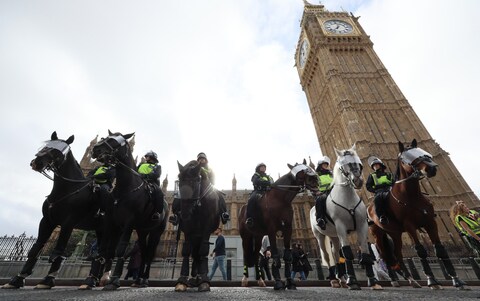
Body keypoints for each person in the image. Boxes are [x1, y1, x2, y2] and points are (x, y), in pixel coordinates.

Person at [169, 152, 230, 225]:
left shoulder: (210, 169)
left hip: (208, 188)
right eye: (199, 159)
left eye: (203, 159)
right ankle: (175, 215)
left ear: (206, 160)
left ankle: (223, 213)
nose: (201, 160)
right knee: (179, 195)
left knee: (219, 196)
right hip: (195, 187)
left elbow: (213, 180)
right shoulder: (193, 168)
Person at [366, 156, 394, 225]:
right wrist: (375, 191)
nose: (375, 166)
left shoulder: (389, 174)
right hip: (379, 191)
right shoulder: (372, 175)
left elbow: (394, 182)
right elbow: (368, 186)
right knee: (377, 199)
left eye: (376, 165)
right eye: (374, 166)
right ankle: (382, 216)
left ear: (381, 165)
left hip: (390, 189)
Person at [245, 163, 274, 227]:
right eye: (262, 167)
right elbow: (256, 181)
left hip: (268, 191)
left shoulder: (268, 176)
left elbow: (273, 183)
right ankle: (249, 218)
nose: (263, 168)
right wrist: (268, 183)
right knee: (251, 200)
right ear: (258, 168)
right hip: (258, 191)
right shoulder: (256, 175)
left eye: (264, 167)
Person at [137, 151, 163, 220]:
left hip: (151, 182)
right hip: (138, 181)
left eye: (147, 156)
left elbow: (156, 174)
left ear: (152, 157)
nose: (146, 158)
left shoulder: (157, 166)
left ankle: (157, 212)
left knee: (159, 193)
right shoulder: (141, 165)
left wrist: (145, 176)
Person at [314, 156, 333, 230]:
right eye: (324, 165)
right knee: (320, 199)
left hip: (333, 191)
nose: (326, 166)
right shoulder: (316, 176)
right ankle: (320, 219)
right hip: (323, 193)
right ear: (320, 166)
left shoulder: (331, 173)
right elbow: (313, 185)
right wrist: (317, 192)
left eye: (326, 165)